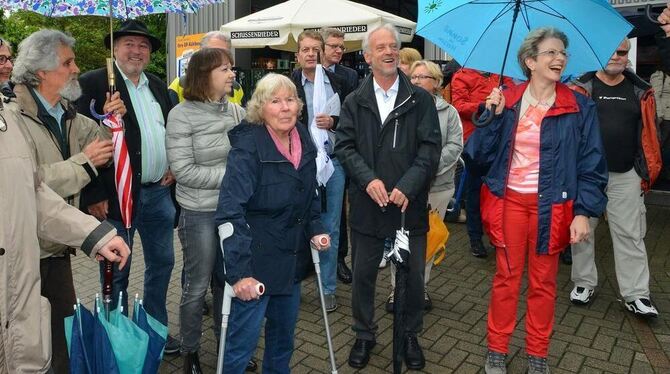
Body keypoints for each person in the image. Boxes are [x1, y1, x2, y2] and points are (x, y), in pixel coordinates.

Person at [464, 28, 608, 374]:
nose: (560, 58)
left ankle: (538, 355)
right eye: (551, 53)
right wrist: (490, 117)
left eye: (563, 53)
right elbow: (477, 158)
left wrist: (584, 212)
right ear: (530, 61)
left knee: (544, 283)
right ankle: (497, 349)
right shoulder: (507, 100)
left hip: (553, 208)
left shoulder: (578, 105)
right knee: (506, 278)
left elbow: (592, 163)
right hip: (510, 203)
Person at [9, 29, 126, 374]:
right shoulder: (12, 118)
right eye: (68, 62)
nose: (76, 69)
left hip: (57, 247)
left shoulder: (68, 112)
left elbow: (103, 145)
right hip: (22, 252)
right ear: (42, 71)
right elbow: (28, 184)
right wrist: (84, 163)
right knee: (25, 344)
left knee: (61, 338)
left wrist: (113, 119)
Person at [335, 24, 441, 370]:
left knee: (410, 277)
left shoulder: (420, 99)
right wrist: (368, 180)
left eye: (393, 45)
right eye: (380, 47)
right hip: (368, 205)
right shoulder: (354, 101)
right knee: (363, 276)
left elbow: (430, 149)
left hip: (406, 207)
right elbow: (345, 147)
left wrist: (409, 185)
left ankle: (409, 335)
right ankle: (364, 335)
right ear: (367, 56)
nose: (388, 51)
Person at [215, 73, 329, 374]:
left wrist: (316, 227)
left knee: (282, 345)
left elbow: (310, 191)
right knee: (241, 348)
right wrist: (240, 274)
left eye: (290, 100)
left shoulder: (303, 137)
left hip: (289, 262)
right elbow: (229, 212)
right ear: (260, 108)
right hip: (255, 265)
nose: (285, 108)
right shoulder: (248, 147)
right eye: (275, 101)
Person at [77, 19, 179, 353]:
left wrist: (174, 166)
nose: (136, 51)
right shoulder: (93, 84)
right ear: (115, 48)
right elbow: (77, 142)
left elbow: (172, 133)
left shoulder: (160, 87)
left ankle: (153, 330)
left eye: (143, 45)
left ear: (150, 53)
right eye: (128, 44)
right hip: (116, 198)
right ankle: (114, 338)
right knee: (117, 270)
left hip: (158, 195)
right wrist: (93, 193)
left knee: (163, 263)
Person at [569, 39, 662, 317]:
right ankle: (584, 283)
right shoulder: (580, 88)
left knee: (631, 235)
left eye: (621, 52)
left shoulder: (641, 90)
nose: (615, 56)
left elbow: (650, 132)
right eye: (609, 50)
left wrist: (642, 170)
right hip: (587, 175)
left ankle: (636, 294)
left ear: (627, 56)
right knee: (583, 233)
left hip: (626, 175)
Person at [166, 47, 245, 373]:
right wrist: (235, 178)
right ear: (203, 75)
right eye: (224, 69)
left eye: (231, 68)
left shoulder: (237, 112)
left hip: (234, 213)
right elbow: (184, 171)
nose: (232, 74)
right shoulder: (180, 115)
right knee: (197, 286)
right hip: (198, 213)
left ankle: (229, 349)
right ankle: (191, 352)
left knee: (230, 283)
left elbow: (249, 156)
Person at [386, 60, 463, 312]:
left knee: (428, 242)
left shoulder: (449, 112)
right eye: (414, 76)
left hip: (437, 187)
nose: (417, 80)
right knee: (400, 238)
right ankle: (396, 290)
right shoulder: (399, 107)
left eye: (423, 76)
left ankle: (421, 288)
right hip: (403, 188)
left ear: (437, 82)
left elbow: (455, 146)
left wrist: (427, 168)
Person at [291, 29, 348, 312]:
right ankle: (293, 285)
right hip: (298, 165)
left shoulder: (340, 81)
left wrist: (335, 122)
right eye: (306, 49)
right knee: (296, 225)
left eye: (316, 49)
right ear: (298, 54)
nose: (311, 54)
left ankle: (327, 288)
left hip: (333, 163)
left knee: (330, 228)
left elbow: (353, 122)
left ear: (322, 52)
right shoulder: (287, 84)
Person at [451, 68, 514, 258]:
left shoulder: (503, 76)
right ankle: (475, 239)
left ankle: (497, 236)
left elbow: (513, 102)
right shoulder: (462, 76)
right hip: (475, 143)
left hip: (499, 142)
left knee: (499, 194)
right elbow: (459, 105)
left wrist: (503, 101)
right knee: (474, 194)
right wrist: (484, 105)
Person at [320, 27, 359, 285]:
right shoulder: (302, 74)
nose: (338, 50)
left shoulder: (350, 76)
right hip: (312, 155)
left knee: (337, 212)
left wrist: (334, 120)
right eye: (333, 45)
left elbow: (356, 114)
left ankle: (339, 259)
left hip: (338, 152)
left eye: (341, 47)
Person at [168, 31, 244, 106]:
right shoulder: (180, 85)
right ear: (200, 54)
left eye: (225, 53)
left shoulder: (236, 88)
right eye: (213, 52)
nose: (220, 57)